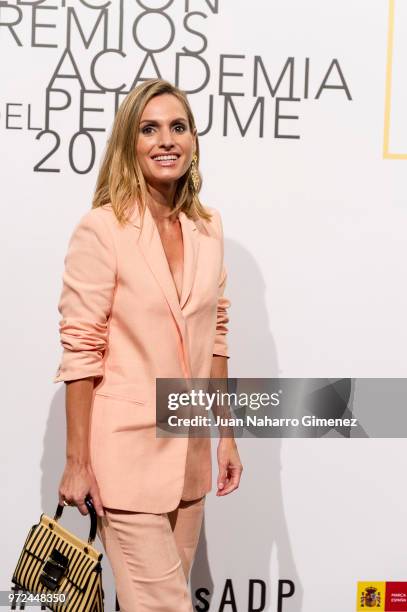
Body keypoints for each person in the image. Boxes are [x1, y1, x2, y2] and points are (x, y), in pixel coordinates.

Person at [53, 78, 243, 611]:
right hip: (125, 459)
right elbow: (81, 350)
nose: (166, 140)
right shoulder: (102, 229)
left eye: (178, 127)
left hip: (189, 459)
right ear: (128, 143)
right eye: (150, 128)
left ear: (193, 141)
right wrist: (76, 461)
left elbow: (216, 336)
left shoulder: (208, 228)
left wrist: (225, 435)